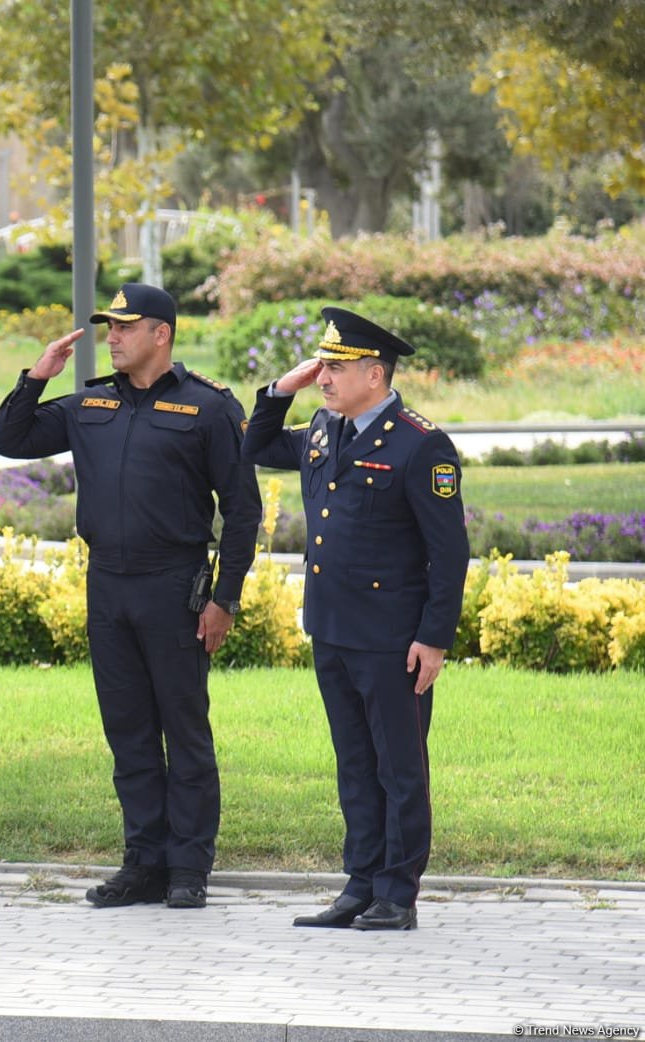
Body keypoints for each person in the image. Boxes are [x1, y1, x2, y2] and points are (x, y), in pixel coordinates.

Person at [0, 283, 261, 911]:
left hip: (174, 586)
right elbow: (11, 439)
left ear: (160, 335)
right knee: (129, 732)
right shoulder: (91, 403)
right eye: (108, 327)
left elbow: (242, 510)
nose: (111, 337)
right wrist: (37, 377)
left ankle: (188, 867)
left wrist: (224, 599)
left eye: (124, 327)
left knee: (184, 730)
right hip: (107, 584)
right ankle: (144, 863)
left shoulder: (210, 408)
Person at [242, 307, 469, 931]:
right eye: (322, 367)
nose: (324, 378)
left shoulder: (420, 444)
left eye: (335, 369)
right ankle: (361, 882)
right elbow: (255, 445)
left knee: (399, 769)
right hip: (333, 627)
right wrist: (279, 390)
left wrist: (434, 638)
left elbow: (450, 552)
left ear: (375, 373)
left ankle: (397, 893)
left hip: (393, 638)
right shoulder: (323, 428)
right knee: (354, 765)